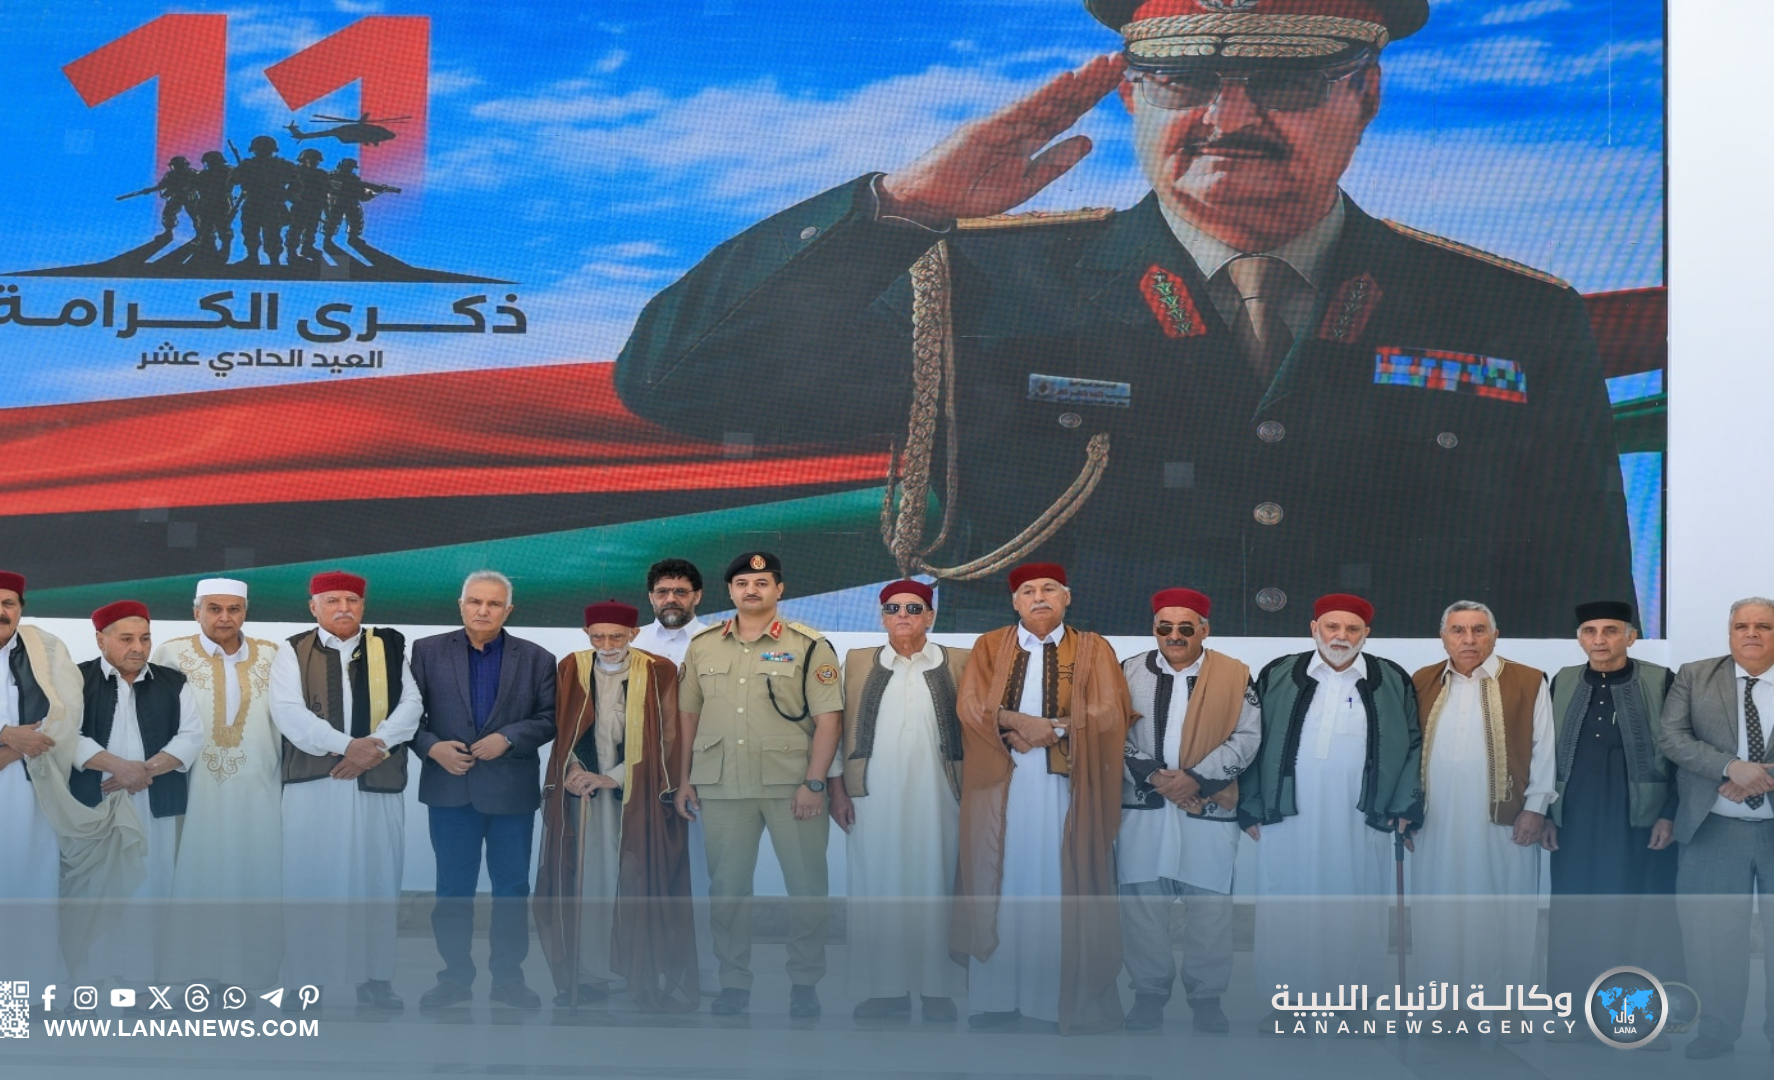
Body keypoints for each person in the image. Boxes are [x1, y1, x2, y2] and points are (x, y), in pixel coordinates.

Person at [614, 0, 1635, 637]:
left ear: (1366, 93)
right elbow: (681, 386)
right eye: (1184, 81)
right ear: (1132, 94)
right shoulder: (974, 282)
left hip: (1373, 772)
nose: (1229, 120)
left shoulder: (1513, 316)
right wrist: (902, 209)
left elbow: (1581, 597)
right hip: (1060, 762)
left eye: (1285, 82)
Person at [0, 569, 142, 1026]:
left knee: (29, 892)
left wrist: (4, 753)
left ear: (21, 607)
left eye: (9, 603)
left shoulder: (47, 648)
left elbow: (63, 716)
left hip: (32, 793)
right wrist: (0, 733)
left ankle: (28, 998)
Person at [951, 562, 1128, 1034]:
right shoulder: (990, 645)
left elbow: (1110, 711)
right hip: (999, 787)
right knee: (1000, 879)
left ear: (1067, 597)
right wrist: (1018, 723)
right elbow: (971, 706)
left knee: (1055, 881)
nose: (1039, 597)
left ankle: (1051, 1003)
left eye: (1049, 589)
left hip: (1064, 789)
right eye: (1028, 591)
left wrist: (1055, 729)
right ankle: (995, 1000)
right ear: (1015, 602)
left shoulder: (1093, 648)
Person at [1242, 593, 1422, 1035]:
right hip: (1288, 815)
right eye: (1332, 627)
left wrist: (1403, 805)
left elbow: (1414, 742)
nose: (1341, 636)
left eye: (1352, 629)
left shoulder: (1390, 678)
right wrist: (1251, 805)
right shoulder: (1279, 673)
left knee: (1356, 904)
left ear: (1366, 634)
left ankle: (1354, 1004)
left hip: (1360, 817)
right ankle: (1287, 1004)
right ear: (1314, 629)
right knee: (1286, 904)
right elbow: (1250, 738)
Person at [674, 551, 843, 1018]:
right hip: (722, 785)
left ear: (779, 589)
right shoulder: (703, 645)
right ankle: (733, 983)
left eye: (762, 582)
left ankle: (805, 983)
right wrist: (684, 779)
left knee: (807, 888)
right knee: (728, 891)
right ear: (730, 591)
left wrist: (814, 783)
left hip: (792, 786)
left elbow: (829, 721)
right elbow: (687, 717)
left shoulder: (809, 645)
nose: (752, 590)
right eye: (743, 583)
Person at [269, 570, 424, 1011]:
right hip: (315, 787)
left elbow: (411, 705)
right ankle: (305, 984)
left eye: (352, 600)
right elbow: (288, 713)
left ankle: (375, 981)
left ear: (363, 605)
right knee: (308, 882)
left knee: (377, 882)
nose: (343, 608)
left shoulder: (387, 647)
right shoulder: (292, 650)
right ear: (313, 606)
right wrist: (346, 746)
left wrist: (372, 749)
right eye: (332, 600)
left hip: (376, 782)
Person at [534, 600, 697, 1012]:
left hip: (638, 797)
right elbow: (564, 729)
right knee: (587, 881)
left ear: (634, 634)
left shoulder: (658, 670)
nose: (607, 645)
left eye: (616, 637)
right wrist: (573, 769)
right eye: (598, 637)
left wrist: (617, 777)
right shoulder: (572, 667)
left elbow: (669, 738)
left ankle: (639, 974)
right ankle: (589, 976)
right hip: (584, 800)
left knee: (636, 881)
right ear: (586, 634)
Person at [410, 570, 557, 1010]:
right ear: (461, 605)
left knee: (512, 890)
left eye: (493, 604)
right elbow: (405, 716)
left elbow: (549, 718)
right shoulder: (426, 651)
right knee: (452, 891)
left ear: (508, 610)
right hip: (450, 789)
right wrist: (432, 748)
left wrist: (508, 738)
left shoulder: (537, 658)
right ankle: (454, 979)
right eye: (475, 601)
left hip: (511, 793)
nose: (482, 610)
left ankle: (509, 979)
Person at [1408, 600, 1554, 1042]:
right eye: (1458, 630)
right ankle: (1445, 1006)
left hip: (1504, 821)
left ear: (1495, 635)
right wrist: (1405, 811)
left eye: (1478, 630)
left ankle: (1509, 1009)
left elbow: (1544, 747)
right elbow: (1405, 748)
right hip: (1436, 822)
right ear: (1443, 637)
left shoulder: (1528, 680)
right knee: (1439, 910)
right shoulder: (1421, 681)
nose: (1468, 640)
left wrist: (1536, 808)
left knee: (1506, 910)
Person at [1118, 587, 1260, 1035]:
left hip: (1208, 807)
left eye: (1185, 627)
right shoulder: (1126, 671)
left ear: (1204, 629)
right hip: (1143, 807)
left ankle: (1206, 997)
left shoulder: (1234, 674)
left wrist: (1196, 779)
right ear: (1154, 629)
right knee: (1142, 903)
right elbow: (1108, 731)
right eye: (1165, 626)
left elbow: (1247, 736)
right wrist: (1158, 779)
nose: (1174, 635)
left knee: (1209, 906)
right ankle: (1148, 994)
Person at [1541, 599, 1681, 1047]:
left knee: (1640, 918)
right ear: (1579, 638)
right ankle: (1573, 1017)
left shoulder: (1662, 681)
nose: (1599, 640)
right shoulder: (1562, 681)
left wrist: (1669, 813)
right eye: (1590, 631)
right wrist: (1545, 813)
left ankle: (1639, 1021)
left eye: (1610, 630)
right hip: (1575, 820)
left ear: (1631, 637)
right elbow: (1542, 753)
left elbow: (1681, 751)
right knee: (1575, 916)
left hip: (1640, 820)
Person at [829, 580, 969, 1023]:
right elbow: (833, 729)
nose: (902, 616)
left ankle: (938, 991)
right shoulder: (856, 662)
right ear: (881, 616)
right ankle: (883, 991)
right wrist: (836, 789)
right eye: (893, 608)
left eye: (913, 608)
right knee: (878, 887)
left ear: (930, 616)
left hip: (942, 796)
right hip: (872, 796)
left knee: (937, 886)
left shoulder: (960, 661)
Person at [1658, 597, 1774, 1060]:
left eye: (1764, 626)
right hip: (1714, 829)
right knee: (1711, 938)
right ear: (1729, 632)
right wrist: (1729, 766)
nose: (1752, 633)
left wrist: (1758, 776)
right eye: (1742, 626)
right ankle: (1717, 1030)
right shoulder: (1695, 675)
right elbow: (1671, 737)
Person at [156, 577, 285, 993]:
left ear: (246, 612)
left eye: (234, 609)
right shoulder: (171, 654)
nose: (224, 618)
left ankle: (249, 976)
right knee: (197, 874)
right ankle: (194, 972)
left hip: (259, 788)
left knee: (255, 875)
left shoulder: (273, 655)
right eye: (214, 609)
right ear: (196, 612)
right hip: (195, 792)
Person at [70, 601, 202, 996]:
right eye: (126, 639)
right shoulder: (77, 679)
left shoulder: (172, 681)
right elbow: (66, 735)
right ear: (101, 640)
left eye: (144, 639)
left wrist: (144, 771)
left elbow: (191, 736)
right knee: (96, 891)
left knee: (150, 886)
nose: (138, 648)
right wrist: (116, 766)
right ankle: (89, 983)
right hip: (97, 804)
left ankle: (142, 985)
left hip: (153, 801)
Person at [636, 557, 717, 992]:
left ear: (697, 596)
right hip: (640, 775)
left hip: (700, 774)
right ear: (651, 597)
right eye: (663, 592)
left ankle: (703, 971)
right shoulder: (631, 641)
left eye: (680, 592)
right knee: (641, 873)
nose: (671, 599)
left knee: (699, 875)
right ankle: (643, 967)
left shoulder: (717, 641)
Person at [233, 135, 295, 266]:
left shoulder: (282, 165)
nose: (262, 152)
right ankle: (253, 257)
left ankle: (274, 260)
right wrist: (240, 174)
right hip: (254, 203)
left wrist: (286, 195)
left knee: (272, 234)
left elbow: (296, 183)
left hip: (272, 203)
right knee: (250, 232)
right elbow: (232, 181)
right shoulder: (247, 165)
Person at [286, 148, 330, 264]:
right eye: (312, 159)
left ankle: (307, 248)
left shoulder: (321, 174)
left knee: (311, 229)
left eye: (317, 160)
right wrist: (296, 199)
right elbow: (289, 190)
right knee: (296, 229)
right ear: (304, 160)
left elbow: (324, 193)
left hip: (315, 206)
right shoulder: (296, 172)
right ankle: (292, 253)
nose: (315, 162)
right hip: (300, 206)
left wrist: (327, 211)